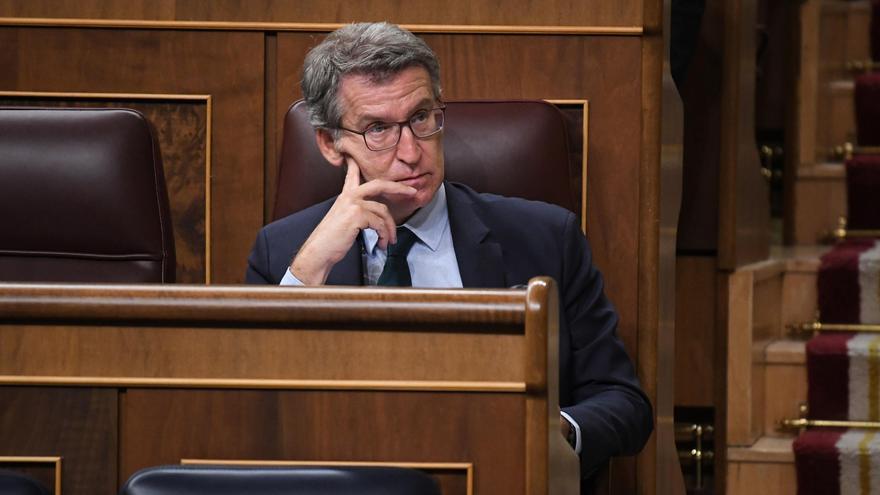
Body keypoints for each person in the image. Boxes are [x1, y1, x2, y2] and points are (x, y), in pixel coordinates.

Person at [246, 22, 653, 492]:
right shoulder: (284, 253)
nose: (412, 152)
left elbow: (623, 402)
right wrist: (310, 267)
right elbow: (255, 414)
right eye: (378, 128)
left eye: (422, 117)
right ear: (329, 143)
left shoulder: (545, 237)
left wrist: (551, 431)